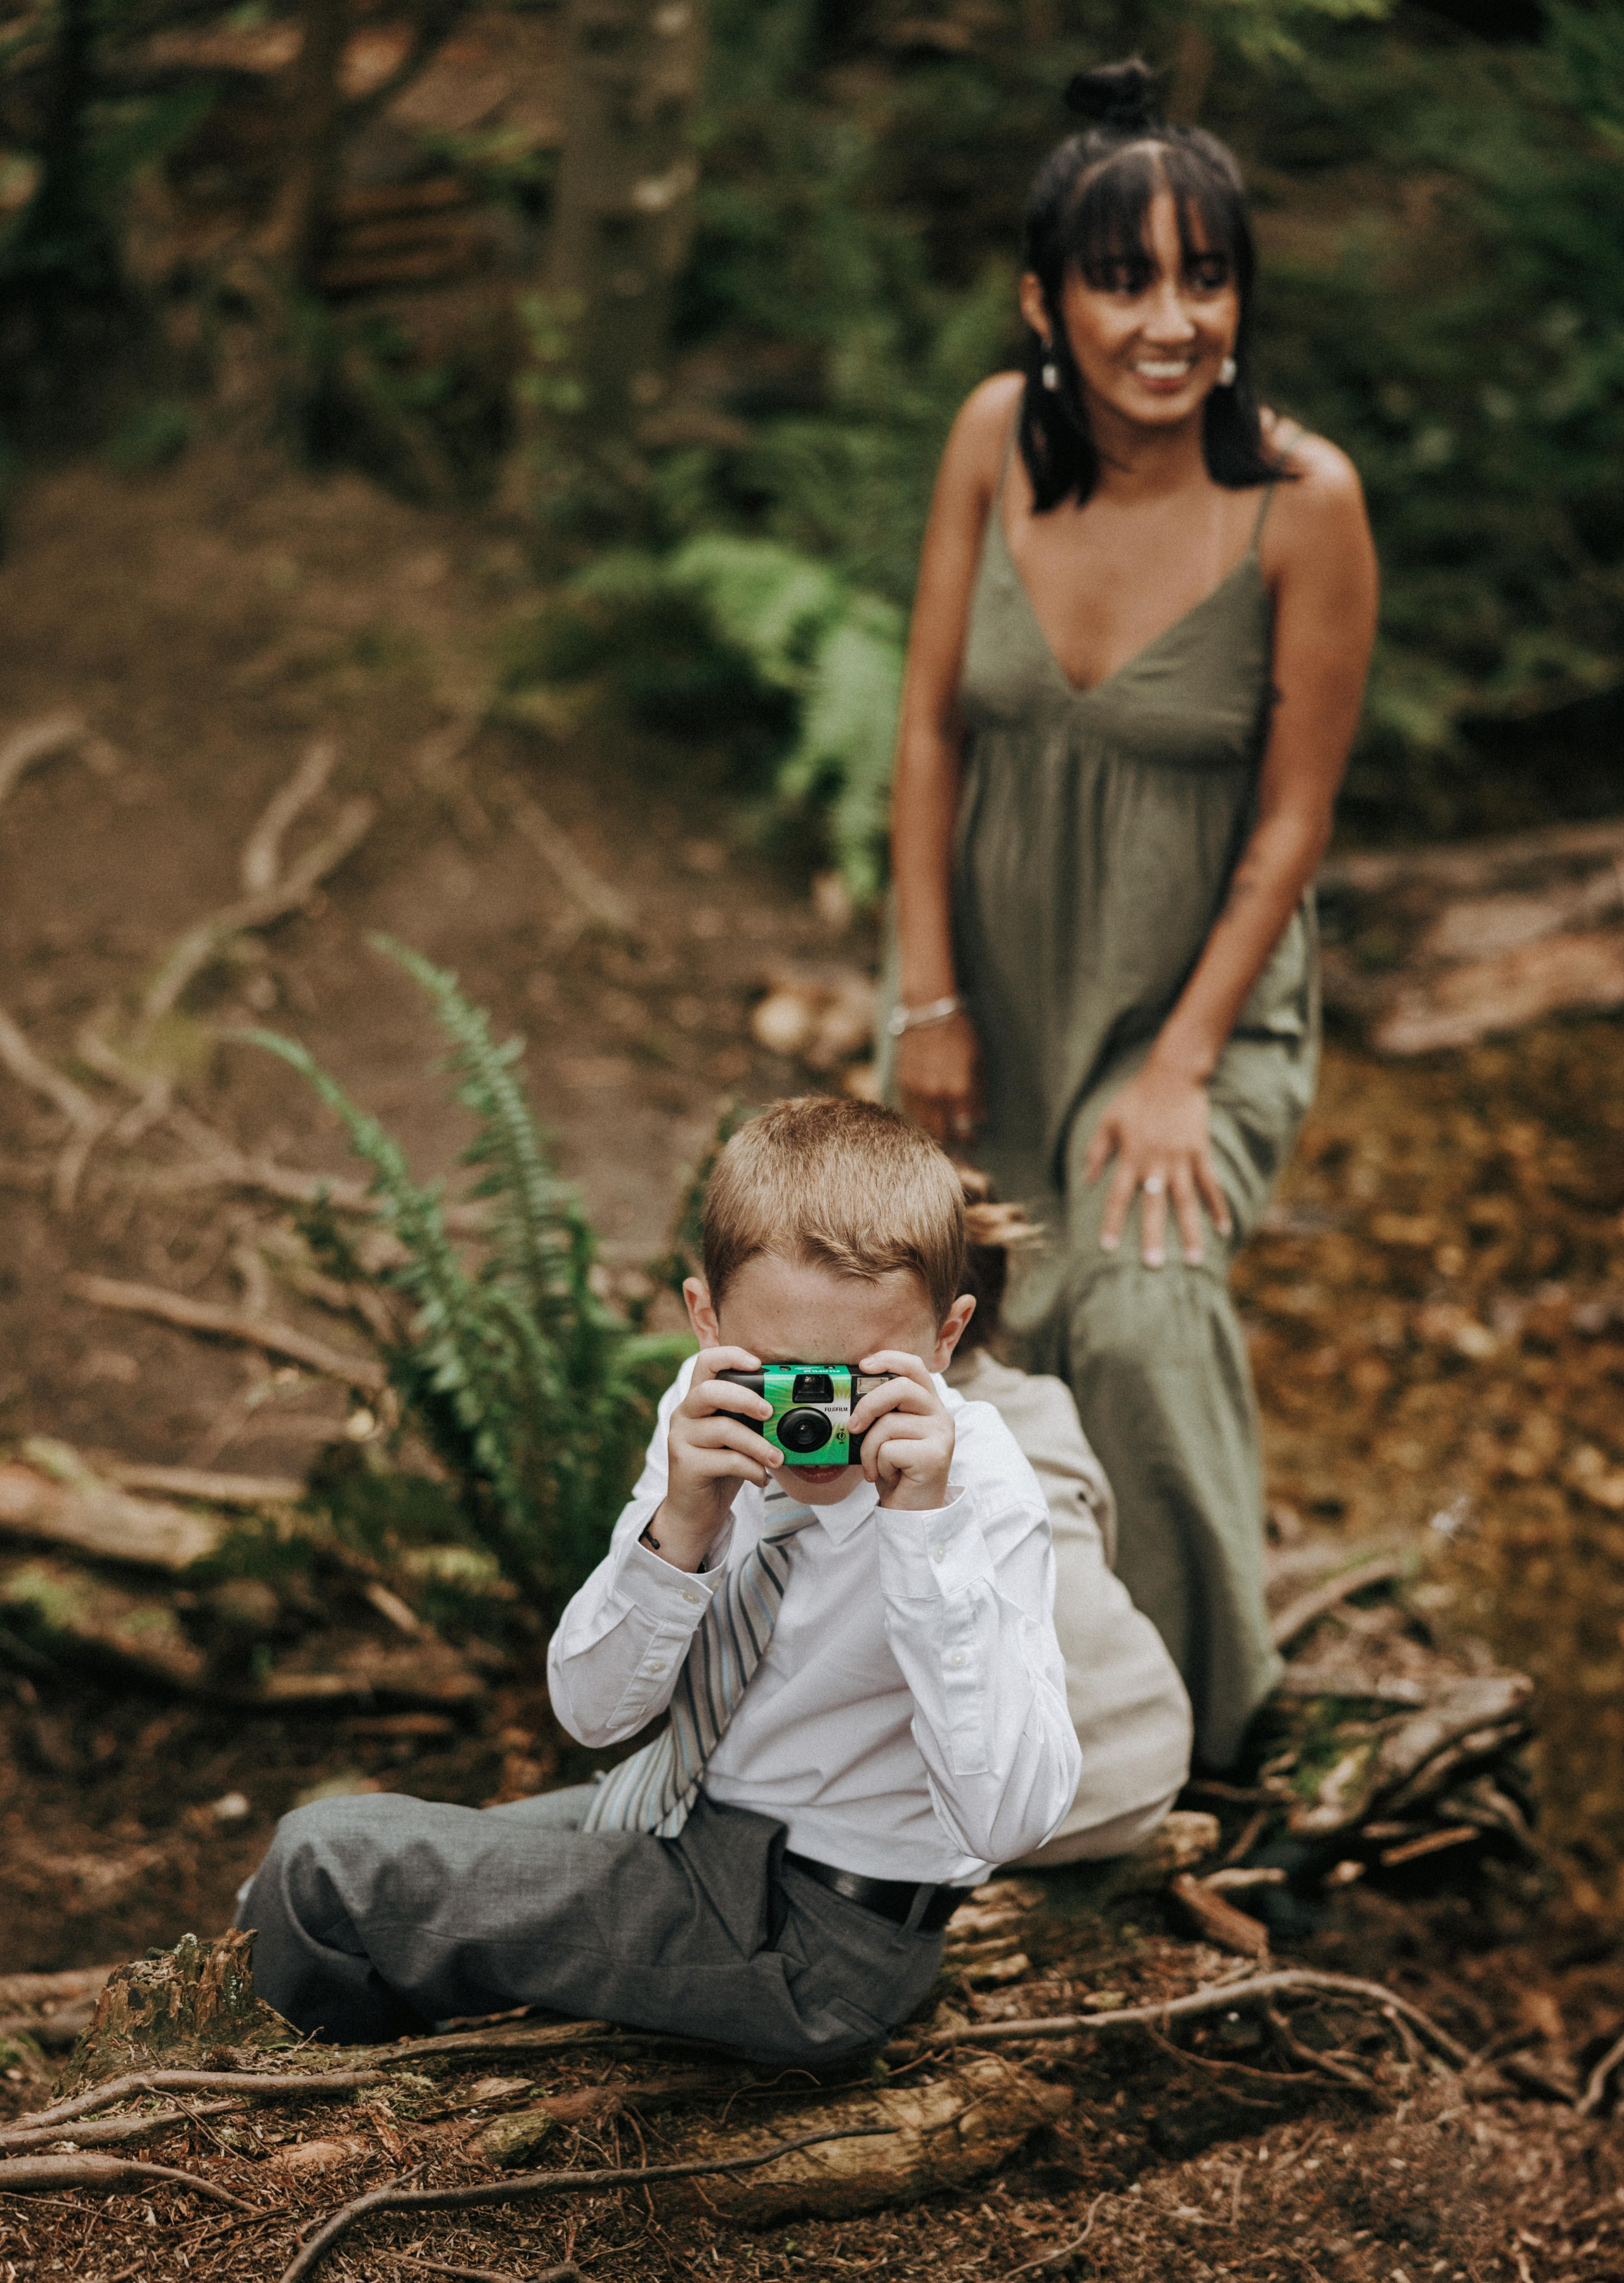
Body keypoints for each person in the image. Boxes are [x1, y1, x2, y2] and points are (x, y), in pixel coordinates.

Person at [886, 59, 1378, 1770]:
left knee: (1142, 1310)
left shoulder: (1304, 499)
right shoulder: (987, 442)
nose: (1171, 321)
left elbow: (1296, 815)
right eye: (1122, 279)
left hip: (1194, 1004)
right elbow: (928, 729)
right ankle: (976, 1716)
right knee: (955, 1326)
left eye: (1204, 275)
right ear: (1045, 304)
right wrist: (926, 999)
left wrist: (1177, 1066)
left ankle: (1203, 1746)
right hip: (984, 986)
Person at [239, 1097, 1096, 2064]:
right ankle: (334, 2082)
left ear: (946, 1338)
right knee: (320, 1879)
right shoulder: (706, 1416)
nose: (812, 1423)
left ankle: (269, 2111)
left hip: (820, 1931)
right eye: (782, 1376)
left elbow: (1010, 1819)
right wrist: (682, 1526)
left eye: (860, 1379)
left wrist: (924, 1538)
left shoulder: (979, 1489)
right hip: (681, 1821)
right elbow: (592, 1715)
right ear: (705, 1319)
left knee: (328, 1867)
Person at [947, 1174, 1191, 1866]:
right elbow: (1096, 1547)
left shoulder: (858, 1444)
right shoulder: (1045, 1403)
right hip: (1144, 1757)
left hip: (1019, 1812)